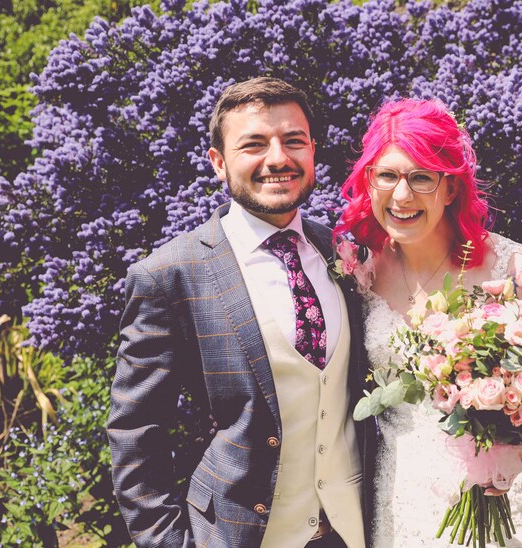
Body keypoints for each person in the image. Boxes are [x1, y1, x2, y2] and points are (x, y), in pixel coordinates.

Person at [107, 77, 376, 548]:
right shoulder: (169, 274)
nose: (278, 158)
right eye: (253, 144)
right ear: (218, 162)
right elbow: (136, 431)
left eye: (294, 141)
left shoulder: (346, 253)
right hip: (240, 533)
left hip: (355, 526)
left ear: (312, 151)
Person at [335, 99, 522, 547]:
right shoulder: (360, 275)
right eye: (386, 175)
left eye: (421, 177)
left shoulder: (517, 271)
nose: (401, 196)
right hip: (403, 497)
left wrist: (518, 446)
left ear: (451, 187)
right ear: (369, 182)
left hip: (508, 500)